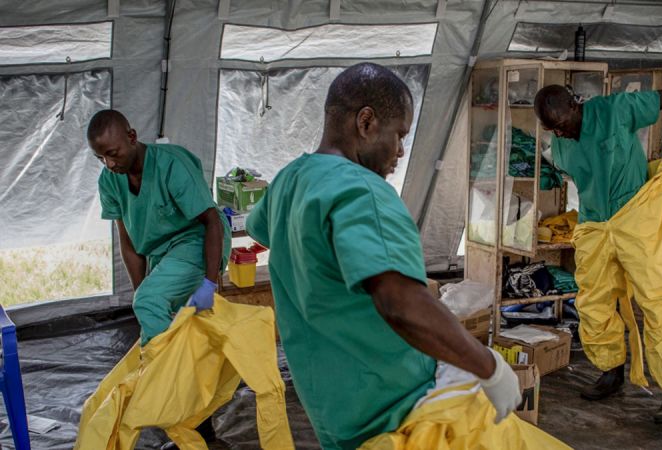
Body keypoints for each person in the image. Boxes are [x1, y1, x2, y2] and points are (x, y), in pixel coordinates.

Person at [246, 63, 521, 449]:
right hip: (398, 409)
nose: (401, 151)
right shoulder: (363, 192)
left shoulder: (290, 180)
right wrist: (489, 367)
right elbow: (400, 305)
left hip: (335, 410)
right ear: (366, 122)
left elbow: (271, 232)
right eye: (399, 135)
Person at [533, 85, 662, 424]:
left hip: (636, 215)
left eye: (563, 124)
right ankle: (610, 371)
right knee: (592, 302)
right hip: (594, 223)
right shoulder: (561, 142)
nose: (561, 132)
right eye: (554, 129)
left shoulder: (614, 110)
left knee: (658, 300)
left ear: (576, 105)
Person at [87, 110, 231, 448]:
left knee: (160, 325)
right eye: (100, 157)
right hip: (163, 256)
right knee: (184, 335)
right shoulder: (110, 181)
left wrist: (211, 282)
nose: (109, 164)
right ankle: (199, 428)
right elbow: (130, 240)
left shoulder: (171, 165)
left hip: (198, 244)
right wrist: (144, 292)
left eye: (113, 153)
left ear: (133, 137)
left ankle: (169, 398)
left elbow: (211, 220)